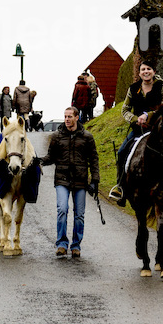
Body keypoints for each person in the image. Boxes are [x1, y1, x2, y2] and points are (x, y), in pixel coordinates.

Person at [109, 60, 163, 208]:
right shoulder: (133, 88)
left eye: (149, 69)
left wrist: (148, 116)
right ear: (139, 72)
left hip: (159, 129)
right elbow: (124, 110)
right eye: (143, 69)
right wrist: (136, 119)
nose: (146, 71)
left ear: (154, 71)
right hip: (138, 129)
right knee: (123, 151)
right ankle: (120, 187)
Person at [39, 106, 100, 258]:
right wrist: (38, 161)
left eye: (69, 116)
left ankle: (76, 245)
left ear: (76, 117)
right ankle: (61, 244)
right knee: (62, 209)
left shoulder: (87, 137)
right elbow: (50, 157)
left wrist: (95, 180)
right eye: (65, 116)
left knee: (79, 215)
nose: (67, 119)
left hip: (80, 181)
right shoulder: (57, 137)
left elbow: (94, 159)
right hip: (62, 180)